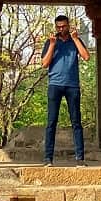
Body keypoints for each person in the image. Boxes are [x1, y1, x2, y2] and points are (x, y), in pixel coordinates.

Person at [40, 14, 90, 166]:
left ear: (68, 26)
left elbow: (86, 57)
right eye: (58, 27)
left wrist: (75, 39)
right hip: (55, 85)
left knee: (76, 122)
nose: (61, 29)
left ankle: (80, 159)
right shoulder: (50, 42)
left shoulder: (75, 40)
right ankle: (48, 159)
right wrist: (53, 45)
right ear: (56, 27)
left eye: (63, 26)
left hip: (72, 85)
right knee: (51, 122)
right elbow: (44, 63)